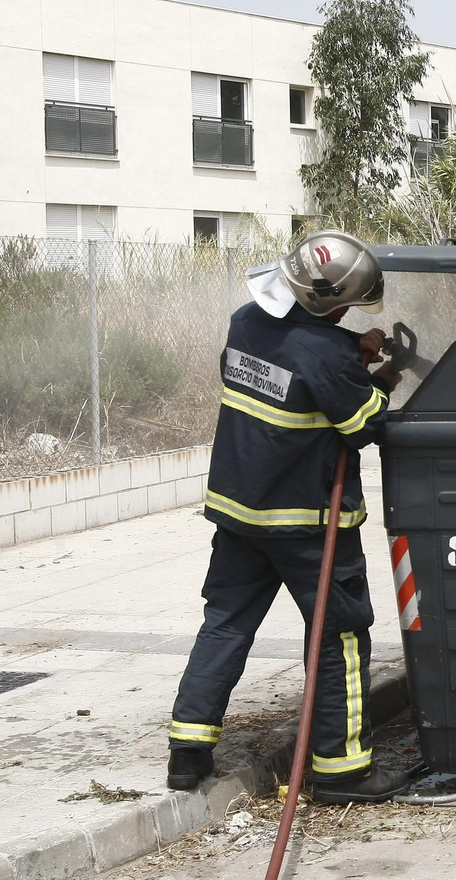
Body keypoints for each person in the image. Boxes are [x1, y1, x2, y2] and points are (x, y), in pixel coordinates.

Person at [166, 231, 408, 804]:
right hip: (306, 524)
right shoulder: (326, 354)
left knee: (225, 622)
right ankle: (342, 769)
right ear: (329, 303)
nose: (351, 313)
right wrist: (380, 381)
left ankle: (187, 750)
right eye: (347, 306)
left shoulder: (247, 320)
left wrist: (354, 351)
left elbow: (293, 360)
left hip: (237, 514)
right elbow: (363, 426)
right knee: (337, 638)